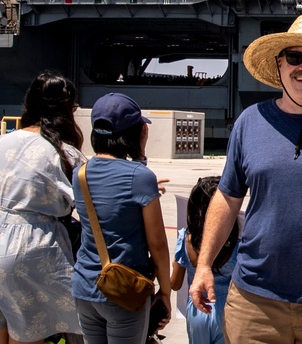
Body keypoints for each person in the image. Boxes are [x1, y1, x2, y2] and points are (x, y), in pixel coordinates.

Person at [189, 15, 302, 343]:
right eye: (294, 57)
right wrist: (204, 264)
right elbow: (228, 198)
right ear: (279, 65)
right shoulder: (249, 122)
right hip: (255, 300)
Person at [72, 93, 172, 343]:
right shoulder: (140, 177)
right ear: (133, 133)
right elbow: (157, 244)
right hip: (124, 293)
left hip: (85, 286)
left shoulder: (79, 173)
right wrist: (166, 293)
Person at [0, 71, 87, 344]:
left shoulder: (4, 141)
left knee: (6, 328)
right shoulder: (63, 151)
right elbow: (87, 203)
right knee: (34, 331)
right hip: (31, 248)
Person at [170, 177, 239, 344]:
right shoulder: (236, 244)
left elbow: (175, 284)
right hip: (227, 308)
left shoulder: (185, 240)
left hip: (197, 308)